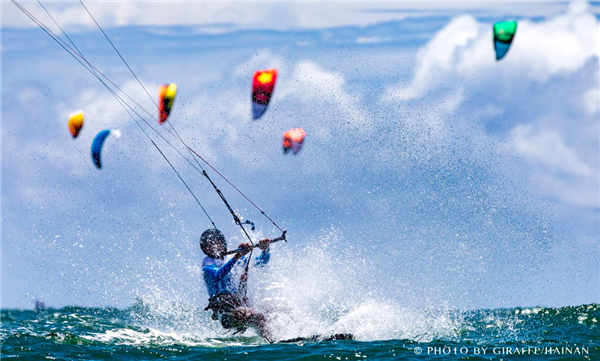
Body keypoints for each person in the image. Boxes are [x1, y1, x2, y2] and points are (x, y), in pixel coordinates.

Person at [200, 228, 273, 341]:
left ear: (223, 243)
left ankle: (294, 334)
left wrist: (265, 249)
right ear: (204, 249)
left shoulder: (235, 259)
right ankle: (272, 342)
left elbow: (261, 262)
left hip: (240, 304)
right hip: (226, 313)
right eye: (208, 245)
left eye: (217, 242)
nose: (213, 246)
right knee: (258, 317)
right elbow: (218, 275)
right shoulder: (207, 264)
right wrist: (236, 256)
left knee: (273, 309)